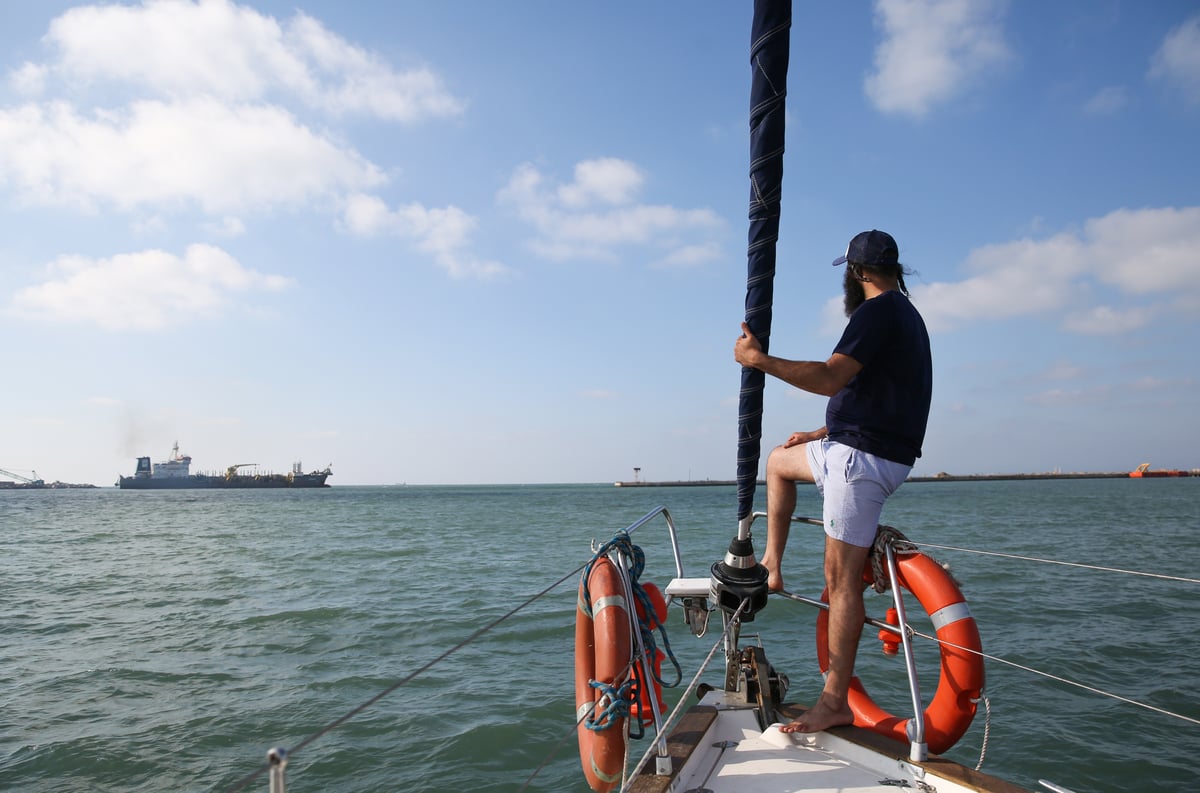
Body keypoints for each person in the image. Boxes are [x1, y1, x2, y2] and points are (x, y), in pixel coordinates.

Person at [733, 229, 932, 734]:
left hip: (861, 462)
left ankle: (835, 700)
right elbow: (884, 397)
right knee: (779, 461)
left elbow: (828, 377)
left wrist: (758, 361)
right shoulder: (908, 317)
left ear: (858, 272)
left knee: (841, 583)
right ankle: (773, 566)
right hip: (856, 446)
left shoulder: (877, 312)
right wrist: (825, 430)